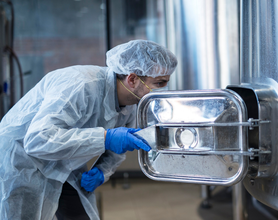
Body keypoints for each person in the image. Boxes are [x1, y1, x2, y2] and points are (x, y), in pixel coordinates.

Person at [0, 40, 178, 220]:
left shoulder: (131, 104)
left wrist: (102, 170)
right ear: (132, 79)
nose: (165, 90)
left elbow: (118, 147)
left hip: (66, 163)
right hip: (21, 161)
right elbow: (38, 139)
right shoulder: (81, 85)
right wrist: (105, 138)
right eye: (160, 83)